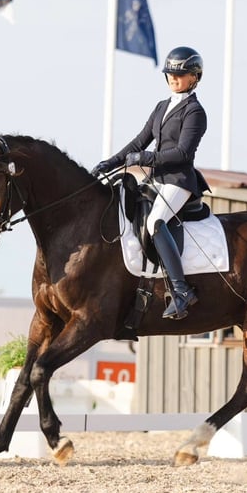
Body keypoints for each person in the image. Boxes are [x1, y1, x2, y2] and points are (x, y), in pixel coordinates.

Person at [91, 46, 210, 320]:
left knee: (155, 222)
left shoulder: (195, 112)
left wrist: (145, 157)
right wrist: (111, 162)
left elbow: (182, 153)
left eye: (180, 75)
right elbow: (138, 141)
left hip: (179, 181)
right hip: (156, 179)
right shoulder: (162, 106)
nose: (173, 78)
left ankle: (181, 292)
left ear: (194, 77)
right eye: (170, 73)